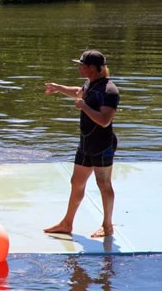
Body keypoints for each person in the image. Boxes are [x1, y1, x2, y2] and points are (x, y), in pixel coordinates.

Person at [43, 50, 120, 238]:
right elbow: (79, 92)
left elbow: (104, 121)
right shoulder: (90, 83)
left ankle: (107, 226)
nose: (79, 67)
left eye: (82, 64)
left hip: (103, 145)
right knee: (76, 182)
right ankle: (67, 223)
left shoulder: (109, 91)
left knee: (103, 183)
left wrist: (83, 107)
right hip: (86, 143)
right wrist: (58, 87)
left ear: (92, 68)